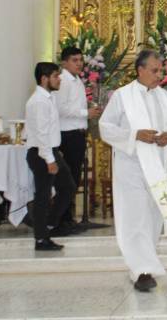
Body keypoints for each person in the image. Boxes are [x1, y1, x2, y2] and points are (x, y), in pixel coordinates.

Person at [99, 50, 167, 292]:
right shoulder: (122, 96)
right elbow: (105, 127)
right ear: (140, 70)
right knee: (135, 216)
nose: (159, 75)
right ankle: (142, 271)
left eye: (161, 70)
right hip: (132, 167)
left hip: (158, 166)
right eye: (155, 70)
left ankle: (145, 263)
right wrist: (134, 135)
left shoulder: (164, 97)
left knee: (152, 215)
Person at [24, 62, 75, 251]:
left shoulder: (48, 98)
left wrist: (54, 152)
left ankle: (48, 225)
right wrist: (49, 159)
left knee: (67, 187)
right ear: (44, 79)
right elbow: (41, 133)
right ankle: (41, 238)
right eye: (55, 76)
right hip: (41, 153)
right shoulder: (38, 101)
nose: (59, 78)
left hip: (50, 151)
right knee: (43, 196)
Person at [54, 46, 101, 232]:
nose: (79, 63)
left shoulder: (77, 80)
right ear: (65, 62)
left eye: (81, 60)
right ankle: (63, 219)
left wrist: (88, 112)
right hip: (67, 134)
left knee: (74, 177)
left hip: (78, 132)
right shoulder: (63, 81)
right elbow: (61, 108)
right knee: (68, 179)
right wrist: (85, 112)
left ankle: (69, 217)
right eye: (75, 60)